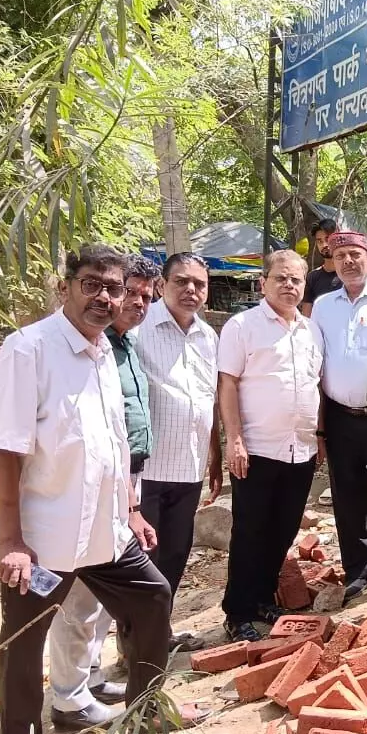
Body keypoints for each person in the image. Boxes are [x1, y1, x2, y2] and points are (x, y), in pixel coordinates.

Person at [0, 244, 204, 734]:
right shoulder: (29, 349)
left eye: (114, 287)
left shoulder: (105, 351)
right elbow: (6, 449)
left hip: (103, 526)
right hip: (43, 532)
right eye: (92, 284)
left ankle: (146, 708)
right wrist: (11, 541)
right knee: (24, 645)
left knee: (152, 597)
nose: (104, 297)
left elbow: (113, 442)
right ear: (66, 286)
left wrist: (129, 510)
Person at [46, 254, 157, 729]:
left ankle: (88, 678)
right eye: (126, 292)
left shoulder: (116, 349)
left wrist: (129, 501)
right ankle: (68, 697)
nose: (132, 302)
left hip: (122, 480)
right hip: (79, 490)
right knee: (75, 597)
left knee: (97, 599)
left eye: (142, 297)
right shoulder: (69, 346)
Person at [218, 250, 324, 641]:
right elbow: (227, 384)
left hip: (300, 448)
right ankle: (238, 611)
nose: (289, 285)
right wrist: (235, 440)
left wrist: (320, 437)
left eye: (296, 279)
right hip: (257, 449)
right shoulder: (242, 326)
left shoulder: (310, 330)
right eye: (280, 278)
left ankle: (263, 597)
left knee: (283, 530)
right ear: (263, 283)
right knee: (249, 532)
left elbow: (315, 386)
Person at [134, 252, 223, 605]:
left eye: (199, 284)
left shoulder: (208, 337)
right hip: (147, 471)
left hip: (189, 469)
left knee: (174, 555)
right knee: (144, 560)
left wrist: (215, 457)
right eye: (181, 281)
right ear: (161, 286)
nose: (191, 290)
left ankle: (159, 635)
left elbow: (209, 400)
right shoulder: (140, 329)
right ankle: (136, 644)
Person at [312, 229, 367, 602]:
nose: (348, 262)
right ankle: (357, 570)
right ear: (332, 263)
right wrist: (321, 430)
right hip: (340, 418)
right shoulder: (323, 306)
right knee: (347, 497)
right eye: (341, 257)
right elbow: (318, 368)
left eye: (355, 255)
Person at [301, 218, 340, 317]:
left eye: (328, 239)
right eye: (319, 241)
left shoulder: (352, 274)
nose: (324, 245)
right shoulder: (312, 277)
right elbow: (307, 317)